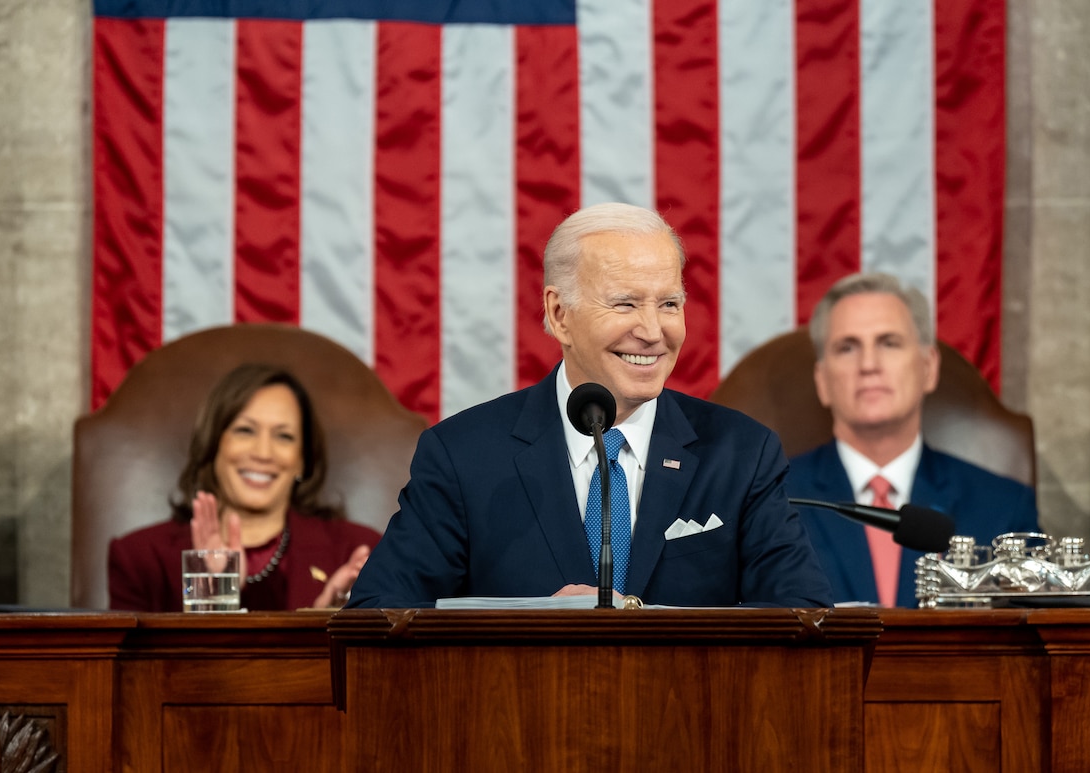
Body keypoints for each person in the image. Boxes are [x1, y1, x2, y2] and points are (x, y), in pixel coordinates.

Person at [348, 202, 834, 608]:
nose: (652, 331)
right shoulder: (463, 456)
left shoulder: (742, 455)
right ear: (560, 315)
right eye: (625, 304)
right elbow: (379, 616)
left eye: (669, 303)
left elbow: (803, 618)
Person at [788, 272, 1040, 608]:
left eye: (889, 343)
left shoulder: (1003, 507)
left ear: (928, 367)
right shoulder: (772, 500)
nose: (869, 364)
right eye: (847, 347)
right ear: (822, 380)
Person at [108, 363, 381, 611]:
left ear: (302, 459)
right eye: (245, 430)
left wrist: (326, 628)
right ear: (213, 444)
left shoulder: (359, 550)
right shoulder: (140, 559)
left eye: (284, 436)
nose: (263, 453)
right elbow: (136, 667)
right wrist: (212, 597)